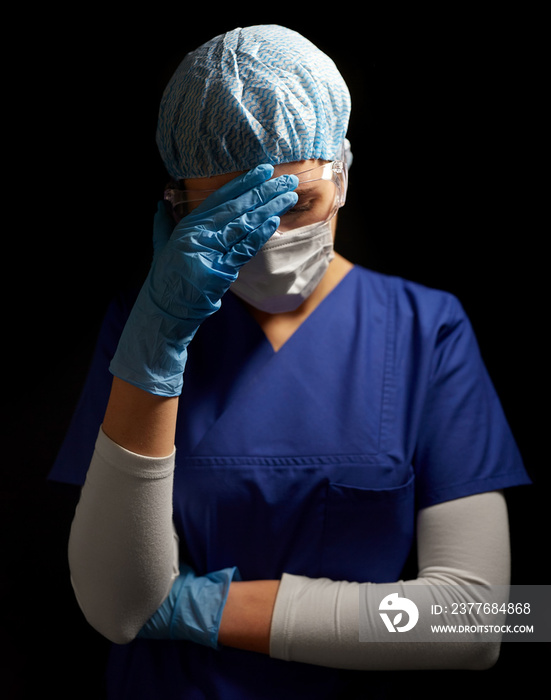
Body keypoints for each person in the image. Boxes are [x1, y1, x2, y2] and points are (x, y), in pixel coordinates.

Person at [50, 25, 531, 699]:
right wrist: (156, 345)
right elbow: (114, 607)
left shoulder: (428, 330)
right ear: (177, 202)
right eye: (223, 212)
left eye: (294, 203)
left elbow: (485, 620)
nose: (265, 239)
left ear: (341, 172)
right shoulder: (142, 328)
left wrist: (196, 609)